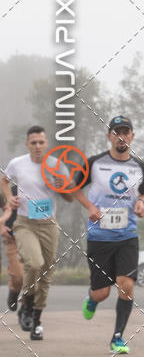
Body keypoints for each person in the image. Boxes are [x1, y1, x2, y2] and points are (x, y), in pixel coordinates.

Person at [72, 116, 144, 354]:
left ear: (132, 136)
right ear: (109, 136)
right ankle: (92, 299)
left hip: (127, 236)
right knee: (102, 291)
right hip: (99, 237)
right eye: (117, 132)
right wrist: (90, 207)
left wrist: (142, 204)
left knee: (126, 285)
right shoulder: (94, 163)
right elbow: (74, 188)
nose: (121, 136)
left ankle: (118, 337)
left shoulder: (140, 167)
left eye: (126, 132)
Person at [1, 126, 72, 340]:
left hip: (49, 224)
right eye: (34, 143)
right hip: (25, 223)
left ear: (47, 143)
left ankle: (36, 320)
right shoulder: (17, 164)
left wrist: (63, 187)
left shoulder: (57, 166)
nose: (38, 146)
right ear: (27, 144)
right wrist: (8, 199)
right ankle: (27, 302)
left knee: (46, 273)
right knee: (34, 263)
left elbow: (69, 198)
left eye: (41, 142)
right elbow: (4, 180)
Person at [0, 184, 23, 313]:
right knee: (19, 276)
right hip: (13, 239)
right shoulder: (11, 191)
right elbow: (5, 207)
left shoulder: (42, 191)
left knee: (35, 273)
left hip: (37, 239)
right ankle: (14, 290)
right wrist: (1, 224)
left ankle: (27, 308)